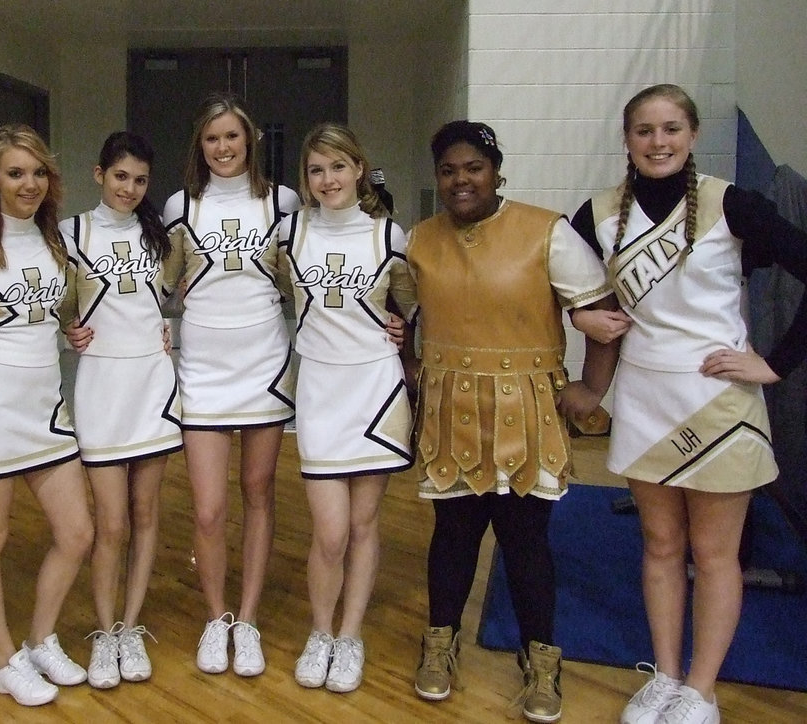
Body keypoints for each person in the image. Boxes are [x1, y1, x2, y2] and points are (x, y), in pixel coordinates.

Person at [570, 84, 807, 724]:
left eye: (671, 128)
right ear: (627, 139)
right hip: (644, 397)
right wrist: (582, 317)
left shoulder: (732, 203)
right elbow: (557, 289)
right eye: (645, 130)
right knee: (660, 543)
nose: (658, 142)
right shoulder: (596, 213)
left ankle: (702, 690)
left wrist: (774, 364)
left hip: (718, 400)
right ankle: (666, 675)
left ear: (692, 135)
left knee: (715, 552)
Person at [403, 120, 618, 723]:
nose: (461, 180)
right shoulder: (420, 239)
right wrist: (410, 361)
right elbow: (397, 313)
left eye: (473, 167)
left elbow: (601, 312)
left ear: (496, 170)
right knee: (453, 535)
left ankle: (540, 659)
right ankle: (439, 644)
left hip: (527, 411)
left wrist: (592, 388)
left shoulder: (546, 232)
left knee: (525, 540)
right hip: (451, 413)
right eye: (448, 170)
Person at [0, 123, 93, 706]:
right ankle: (4, 659)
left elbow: (51, 315)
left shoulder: (57, 244)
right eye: (15, 173)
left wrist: (69, 328)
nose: (28, 183)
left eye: (37, 173)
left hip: (46, 407)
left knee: (77, 532)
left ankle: (39, 639)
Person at [162, 92, 300, 677]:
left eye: (232, 137)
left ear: (251, 142)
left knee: (259, 492)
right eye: (212, 138)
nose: (222, 148)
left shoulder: (283, 201)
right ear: (201, 144)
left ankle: (248, 621)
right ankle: (215, 618)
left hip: (264, 364)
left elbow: (305, 281)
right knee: (210, 509)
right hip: (203, 370)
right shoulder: (179, 206)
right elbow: (164, 286)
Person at [276, 124, 414, 694]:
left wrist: (402, 328)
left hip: (375, 389)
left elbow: (409, 303)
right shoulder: (290, 233)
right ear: (305, 180)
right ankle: (320, 631)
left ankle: (349, 635)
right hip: (321, 391)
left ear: (359, 168)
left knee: (361, 525)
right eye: (315, 170)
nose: (327, 179)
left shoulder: (389, 236)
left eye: (337, 166)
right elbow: (264, 292)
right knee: (328, 532)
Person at [58, 131, 184, 690]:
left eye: (139, 180)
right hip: (102, 387)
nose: (129, 188)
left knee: (146, 514)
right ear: (98, 174)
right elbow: (50, 309)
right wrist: (68, 332)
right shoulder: (68, 235)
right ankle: (104, 631)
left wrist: (173, 331)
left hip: (153, 384)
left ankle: (131, 627)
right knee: (110, 524)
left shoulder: (161, 237)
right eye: (120, 177)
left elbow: (190, 294)